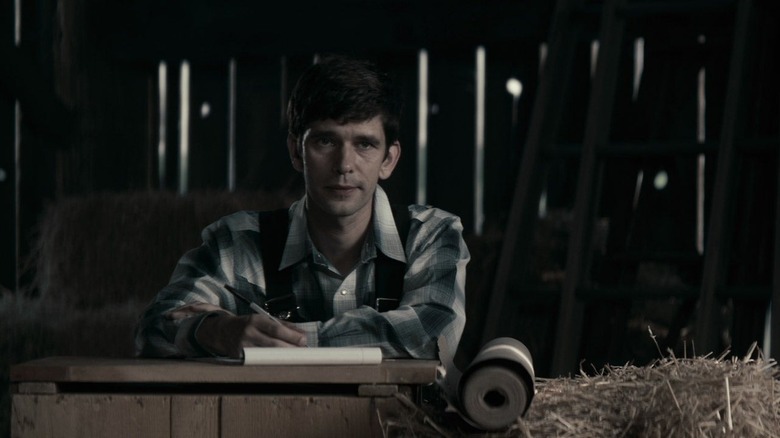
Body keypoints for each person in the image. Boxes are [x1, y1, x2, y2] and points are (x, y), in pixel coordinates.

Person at [134, 54, 469, 364]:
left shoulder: (430, 236)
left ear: (389, 159)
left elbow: (431, 337)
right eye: (325, 141)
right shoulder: (237, 243)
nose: (344, 165)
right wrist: (214, 331)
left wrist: (267, 339)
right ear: (297, 151)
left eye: (364, 144)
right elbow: (153, 331)